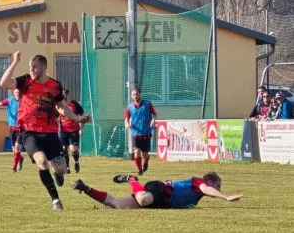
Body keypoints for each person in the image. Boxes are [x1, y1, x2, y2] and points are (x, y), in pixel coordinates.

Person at [0, 51, 91, 211]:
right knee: (42, 162)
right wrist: (14, 62)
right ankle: (56, 200)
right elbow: (4, 82)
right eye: (30, 66)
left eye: (35, 67)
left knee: (61, 168)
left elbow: (61, 108)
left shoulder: (55, 85)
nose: (32, 69)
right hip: (29, 131)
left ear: (44, 67)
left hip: (49, 132)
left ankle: (58, 173)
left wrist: (77, 119)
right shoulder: (26, 81)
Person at [72, 172, 242, 209]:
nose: (218, 189)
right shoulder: (199, 182)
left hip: (158, 203)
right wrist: (225, 197)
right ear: (210, 181)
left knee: (117, 205)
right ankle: (132, 179)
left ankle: (85, 187)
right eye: (218, 185)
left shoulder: (196, 200)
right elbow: (207, 189)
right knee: (144, 199)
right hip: (159, 189)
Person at [0, 89, 24, 173]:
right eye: (16, 92)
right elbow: (0, 104)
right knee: (14, 150)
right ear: (14, 93)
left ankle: (14, 168)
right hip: (11, 126)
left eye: (19, 92)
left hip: (21, 127)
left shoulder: (24, 100)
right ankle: (20, 158)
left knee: (17, 147)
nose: (18, 94)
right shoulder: (10, 100)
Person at [125, 88, 157, 175]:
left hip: (146, 133)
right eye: (133, 95)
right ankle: (139, 170)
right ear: (131, 96)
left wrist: (153, 120)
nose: (135, 96)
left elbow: (154, 114)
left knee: (145, 154)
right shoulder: (130, 107)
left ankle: (146, 161)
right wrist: (127, 124)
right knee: (136, 152)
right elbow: (126, 118)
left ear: (140, 94)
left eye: (137, 94)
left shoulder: (147, 104)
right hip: (135, 133)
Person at [58, 88, 85, 174]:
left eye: (63, 95)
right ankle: (67, 167)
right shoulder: (58, 105)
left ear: (67, 94)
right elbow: (55, 117)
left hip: (74, 130)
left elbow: (82, 116)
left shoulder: (74, 104)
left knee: (73, 149)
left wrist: (81, 128)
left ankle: (76, 162)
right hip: (63, 131)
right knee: (64, 149)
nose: (62, 96)